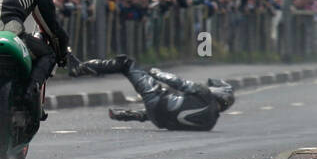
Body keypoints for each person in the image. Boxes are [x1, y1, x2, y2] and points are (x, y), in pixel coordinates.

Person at [70, 54, 235, 130]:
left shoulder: (205, 93)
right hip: (159, 119)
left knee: (127, 63)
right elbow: (175, 114)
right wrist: (129, 115)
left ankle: (80, 68)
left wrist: (157, 73)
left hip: (156, 99)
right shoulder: (209, 124)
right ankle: (127, 115)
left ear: (220, 92)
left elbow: (179, 83)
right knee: (171, 103)